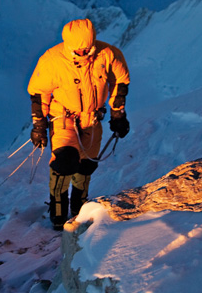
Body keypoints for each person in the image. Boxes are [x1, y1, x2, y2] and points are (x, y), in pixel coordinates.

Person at [27, 18, 130, 230]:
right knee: (64, 162)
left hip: (92, 118)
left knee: (87, 164)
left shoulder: (107, 54)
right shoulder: (53, 60)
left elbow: (120, 80)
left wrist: (118, 114)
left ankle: (79, 209)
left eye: (87, 49)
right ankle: (57, 212)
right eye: (78, 51)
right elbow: (39, 93)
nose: (84, 53)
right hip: (63, 117)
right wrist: (39, 124)